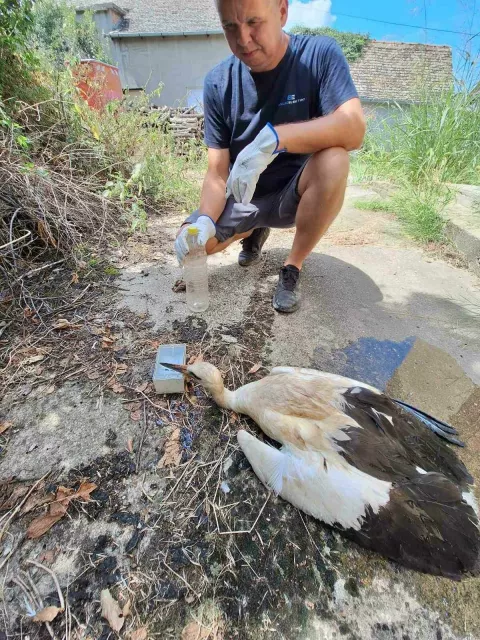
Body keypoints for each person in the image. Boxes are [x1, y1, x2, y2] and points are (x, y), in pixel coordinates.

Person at [175, 0, 366, 313]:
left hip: (295, 193)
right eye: (230, 27)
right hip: (242, 198)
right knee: (192, 244)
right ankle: (251, 229)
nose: (243, 39)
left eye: (254, 22)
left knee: (335, 160)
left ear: (282, 12)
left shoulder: (319, 55)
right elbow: (217, 172)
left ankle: (293, 266)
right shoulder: (217, 83)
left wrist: (275, 139)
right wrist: (206, 221)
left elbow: (354, 128)